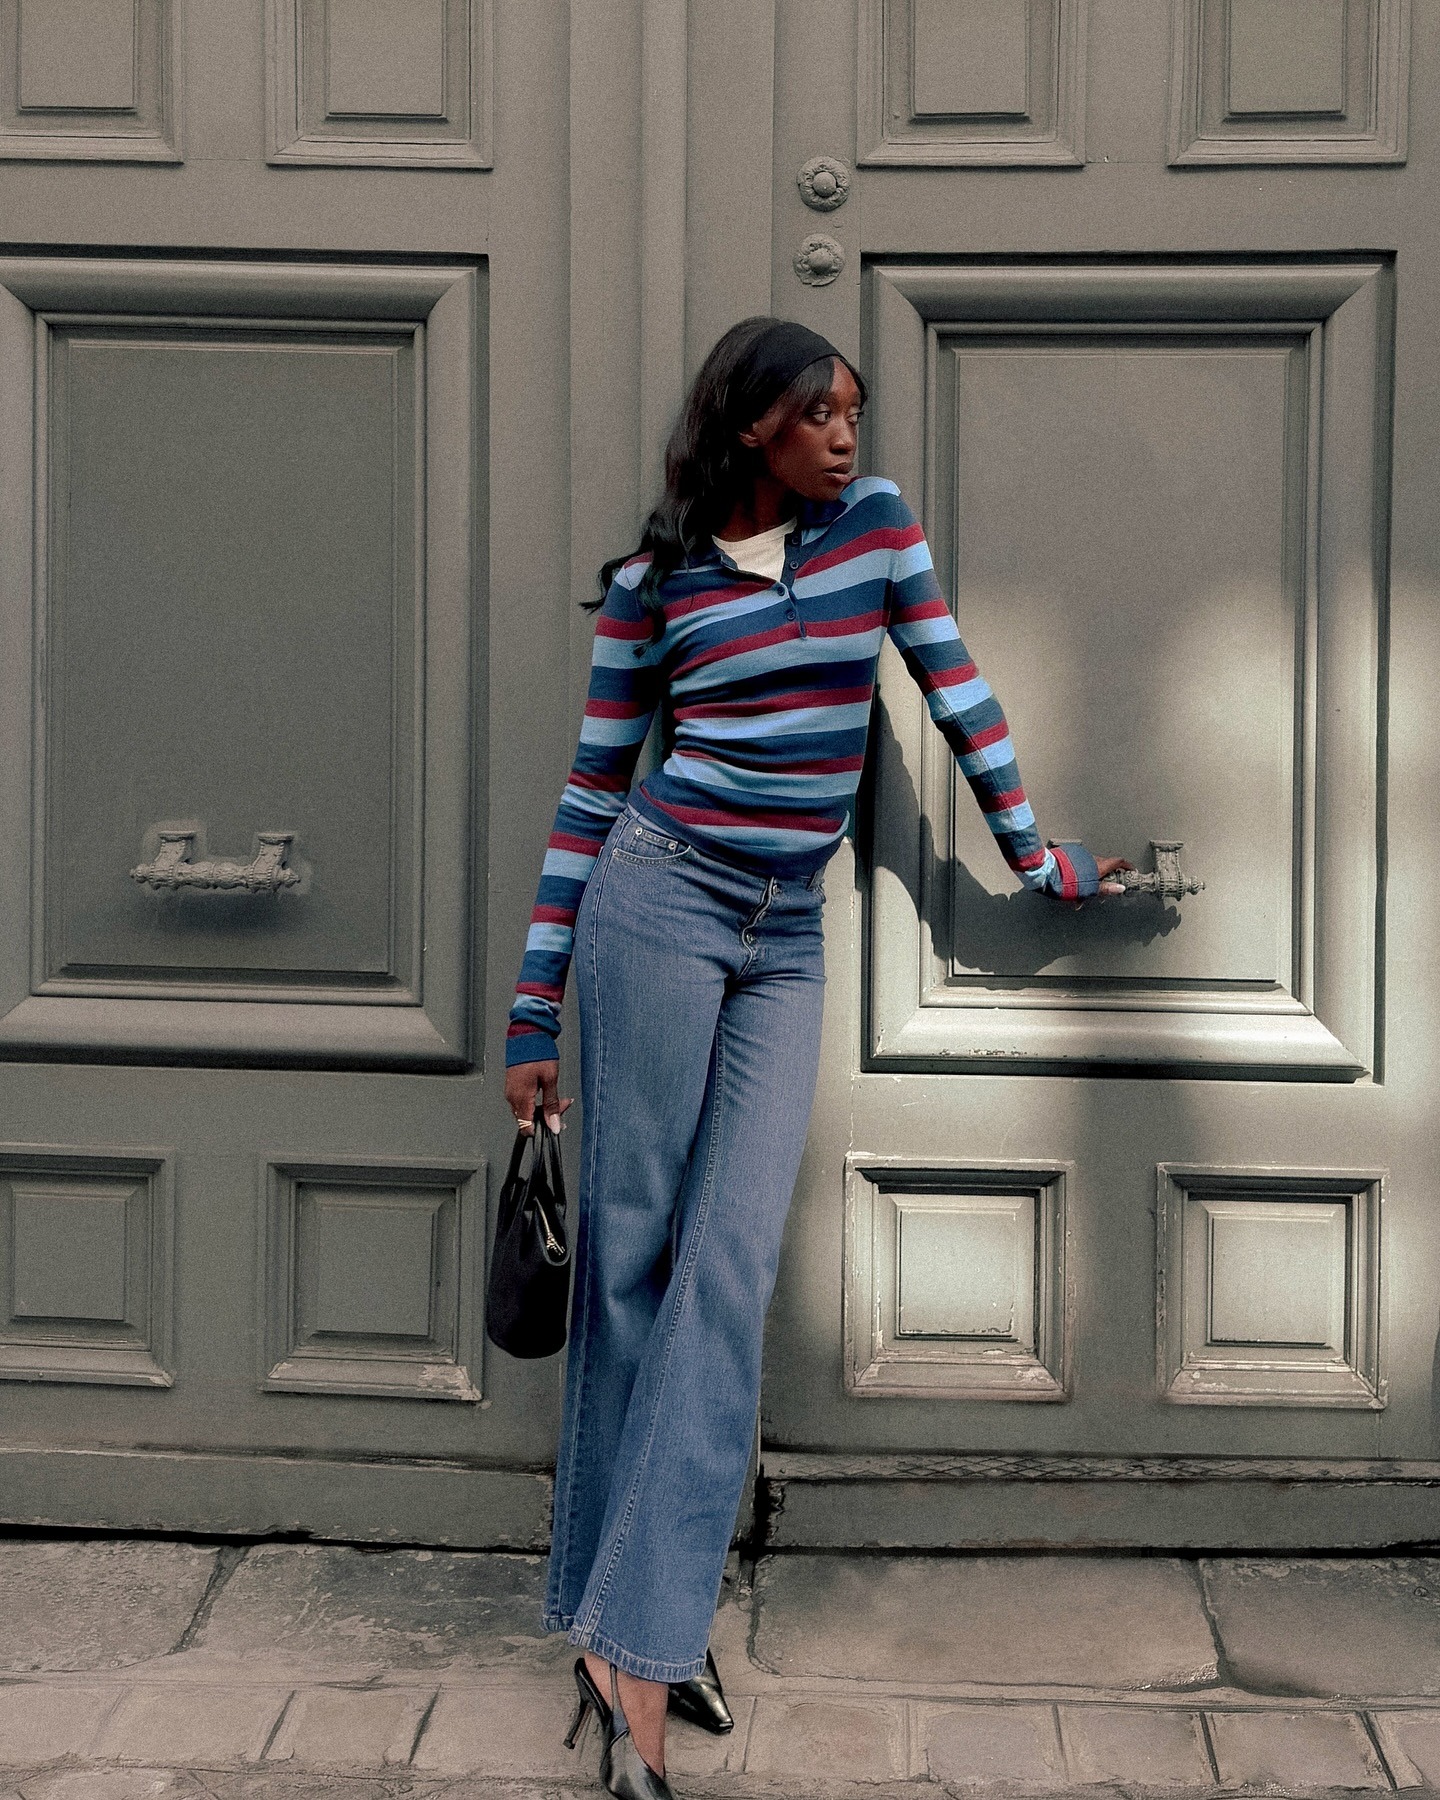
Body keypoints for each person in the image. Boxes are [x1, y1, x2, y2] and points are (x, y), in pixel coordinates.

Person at [504, 315, 1128, 1799]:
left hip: (787, 934)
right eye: (815, 415)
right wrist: (534, 1015)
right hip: (657, 908)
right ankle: (641, 1663)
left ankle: (625, 1642)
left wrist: (1038, 857)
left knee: (723, 1275)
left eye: (852, 411)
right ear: (746, 431)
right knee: (634, 1260)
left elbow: (958, 694)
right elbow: (593, 796)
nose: (845, 436)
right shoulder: (654, 591)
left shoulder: (877, 534)